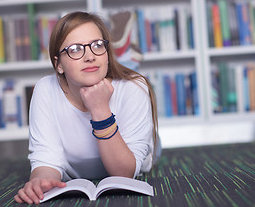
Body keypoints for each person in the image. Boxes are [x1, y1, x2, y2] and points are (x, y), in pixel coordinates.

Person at [14, 11, 160, 204]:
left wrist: (100, 110)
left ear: (106, 53)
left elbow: (124, 174)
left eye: (98, 45)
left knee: (153, 147)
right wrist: (39, 182)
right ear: (58, 65)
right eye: (75, 49)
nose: (90, 56)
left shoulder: (135, 88)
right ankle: (123, 50)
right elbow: (46, 160)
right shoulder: (45, 89)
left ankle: (124, 54)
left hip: (140, 153)